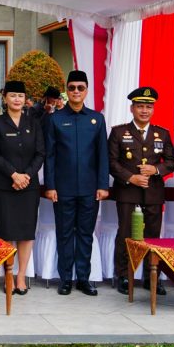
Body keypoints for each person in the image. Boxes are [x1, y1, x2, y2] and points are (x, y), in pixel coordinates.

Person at [107, 87, 174, 295]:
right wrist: (131, 177)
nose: (144, 111)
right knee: (126, 234)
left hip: (153, 193)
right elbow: (111, 162)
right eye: (140, 106)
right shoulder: (119, 132)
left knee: (152, 236)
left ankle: (151, 276)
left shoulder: (162, 133)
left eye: (148, 107)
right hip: (128, 192)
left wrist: (156, 169)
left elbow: (172, 161)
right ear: (132, 108)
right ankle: (123, 275)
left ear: (153, 110)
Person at [44, 70, 109, 296]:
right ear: (67, 90)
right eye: (72, 88)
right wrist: (50, 186)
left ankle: (83, 278)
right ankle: (65, 279)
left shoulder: (97, 119)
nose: (76, 91)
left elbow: (103, 155)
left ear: (86, 91)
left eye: (80, 88)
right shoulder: (55, 119)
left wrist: (103, 185)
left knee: (85, 234)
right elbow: (50, 156)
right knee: (64, 233)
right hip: (63, 189)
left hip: (90, 188)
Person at [0, 80, 44, 295]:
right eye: (12, 95)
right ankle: (8, 275)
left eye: (20, 96)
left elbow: (40, 153)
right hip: (4, 185)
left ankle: (21, 275)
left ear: (25, 99)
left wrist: (26, 175)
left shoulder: (34, 123)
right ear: (5, 98)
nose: (17, 99)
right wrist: (13, 174)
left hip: (28, 186)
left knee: (26, 232)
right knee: (6, 232)